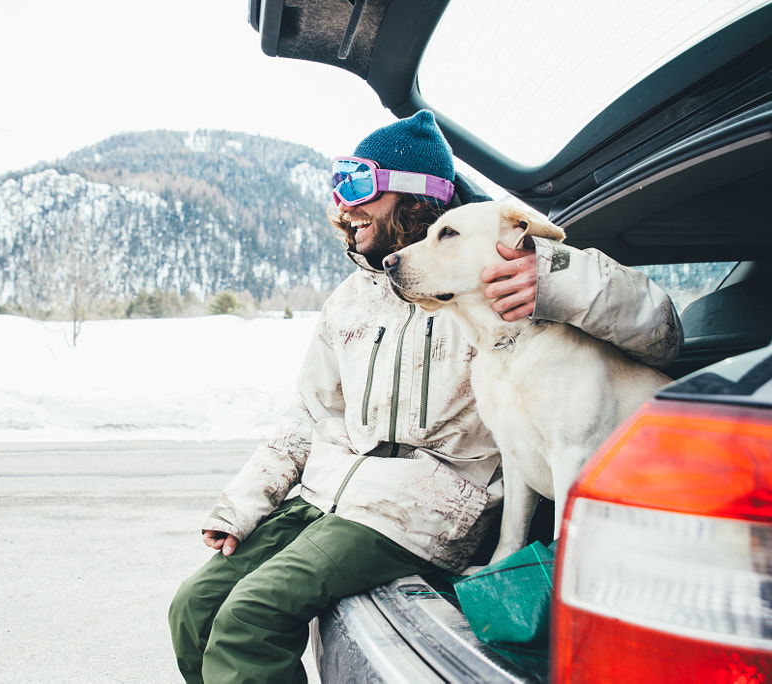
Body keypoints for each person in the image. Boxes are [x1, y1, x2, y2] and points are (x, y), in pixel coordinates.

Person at [168, 110, 682, 684]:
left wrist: (555, 278)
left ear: (414, 197)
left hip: (422, 505)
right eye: (338, 187)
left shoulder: (501, 270)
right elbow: (310, 415)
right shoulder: (350, 300)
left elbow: (658, 330)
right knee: (194, 608)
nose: (344, 206)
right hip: (330, 493)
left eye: (361, 186)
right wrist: (245, 504)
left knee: (250, 618)